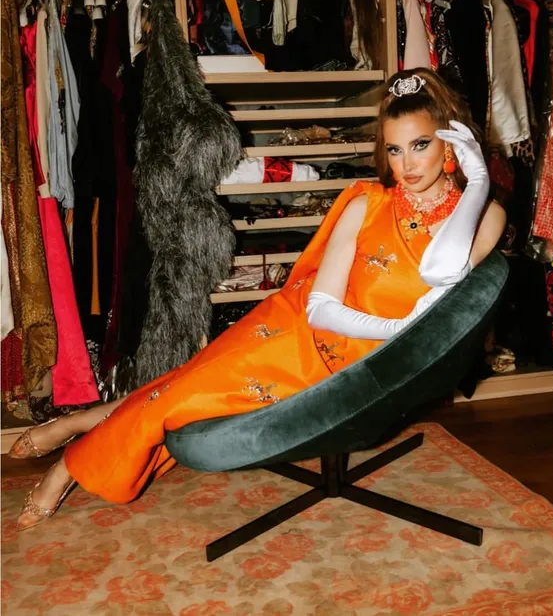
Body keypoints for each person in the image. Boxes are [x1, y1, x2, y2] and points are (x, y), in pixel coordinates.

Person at [10, 69, 506, 531]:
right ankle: (72, 454)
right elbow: (320, 308)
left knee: (184, 395)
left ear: (451, 143)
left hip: (362, 371)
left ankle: (76, 443)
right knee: (187, 387)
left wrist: (478, 182)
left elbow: (441, 269)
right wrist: (397, 330)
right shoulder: (366, 203)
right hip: (295, 333)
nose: (406, 165)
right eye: (394, 150)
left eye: (421, 145)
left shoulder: (486, 216)